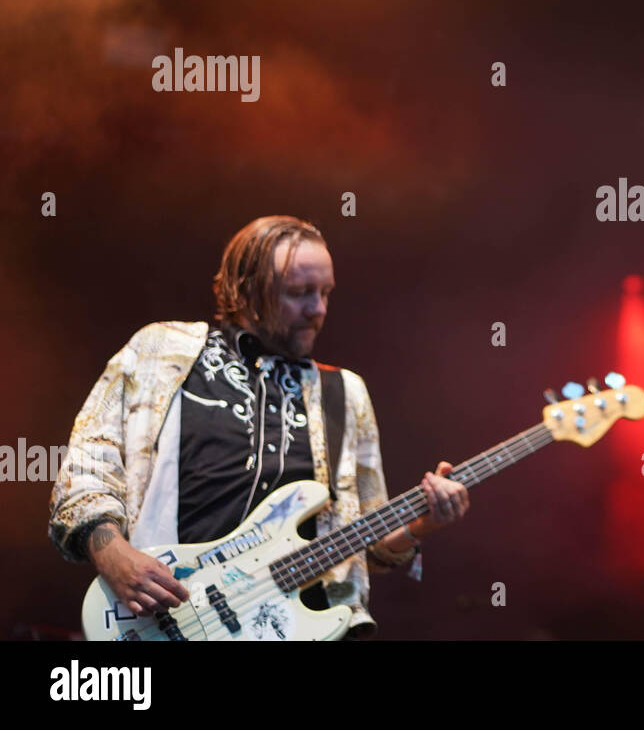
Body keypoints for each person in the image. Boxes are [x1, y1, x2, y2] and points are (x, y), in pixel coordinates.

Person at [49, 215, 468, 638]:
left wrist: (422, 523)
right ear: (246, 289)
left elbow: (368, 545)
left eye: (325, 293)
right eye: (299, 293)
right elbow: (86, 467)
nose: (317, 309)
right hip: (170, 618)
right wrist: (112, 553)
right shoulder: (161, 351)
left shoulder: (344, 394)